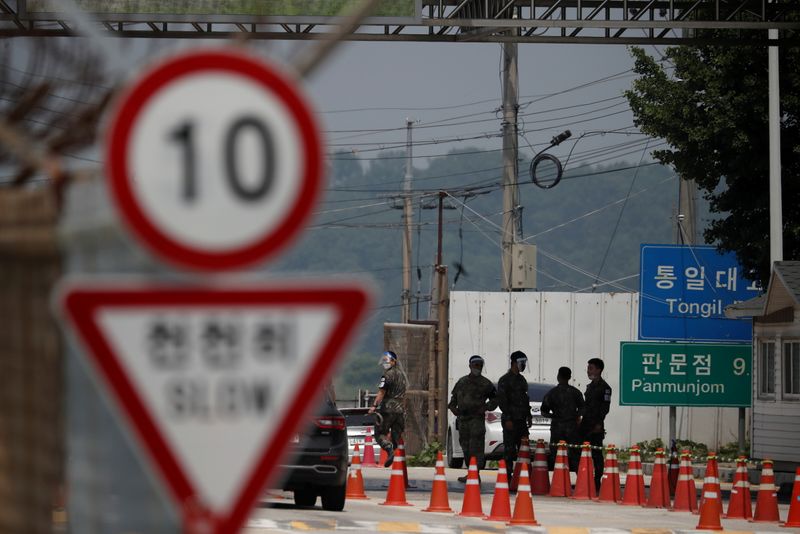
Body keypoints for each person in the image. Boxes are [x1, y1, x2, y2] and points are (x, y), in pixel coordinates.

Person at [448, 355, 498, 483]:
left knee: (476, 448)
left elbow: (495, 399)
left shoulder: (486, 384)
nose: (478, 367)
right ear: (470, 366)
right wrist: (453, 408)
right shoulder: (462, 382)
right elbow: (453, 399)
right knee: (465, 447)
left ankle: (476, 474)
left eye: (480, 365)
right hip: (463, 420)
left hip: (476, 420)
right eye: (475, 365)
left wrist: (486, 407)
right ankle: (470, 472)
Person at [497, 350, 532, 483]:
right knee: (509, 450)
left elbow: (525, 399)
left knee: (524, 448)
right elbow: (503, 402)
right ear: (514, 363)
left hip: (521, 420)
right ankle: (507, 476)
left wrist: (528, 415)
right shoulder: (505, 380)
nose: (523, 365)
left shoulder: (522, 380)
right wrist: (508, 418)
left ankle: (524, 475)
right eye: (521, 363)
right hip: (510, 420)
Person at [540, 366, 584, 472]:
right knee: (575, 454)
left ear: (558, 376)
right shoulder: (576, 392)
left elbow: (543, 412)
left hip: (557, 428)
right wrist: (576, 416)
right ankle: (578, 478)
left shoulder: (552, 393)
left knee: (556, 454)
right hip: (572, 427)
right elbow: (583, 408)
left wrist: (553, 416)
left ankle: (557, 478)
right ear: (569, 377)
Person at [368, 351, 407, 467]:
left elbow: (381, 392)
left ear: (394, 361)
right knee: (396, 436)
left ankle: (389, 449)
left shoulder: (387, 375)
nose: (385, 362)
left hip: (388, 408)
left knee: (379, 433)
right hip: (400, 410)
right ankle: (398, 460)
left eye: (387, 360)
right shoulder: (402, 375)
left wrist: (374, 406)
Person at [579, 357, 612, 492]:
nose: (588, 371)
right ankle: (584, 479)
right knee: (582, 453)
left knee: (597, 455)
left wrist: (598, 423)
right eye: (588, 368)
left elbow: (605, 408)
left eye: (591, 368)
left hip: (596, 426)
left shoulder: (605, 388)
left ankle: (597, 481)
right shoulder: (590, 387)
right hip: (585, 425)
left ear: (599, 370)